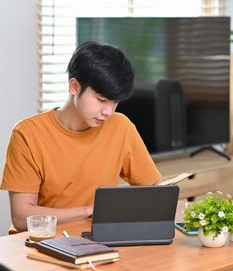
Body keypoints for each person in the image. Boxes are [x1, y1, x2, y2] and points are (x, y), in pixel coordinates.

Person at [1, 41, 161, 231]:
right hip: (41, 241)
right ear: (75, 87)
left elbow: (154, 189)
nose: (108, 111)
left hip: (99, 238)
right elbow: (21, 217)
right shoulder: (27, 134)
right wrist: (89, 210)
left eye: (115, 102)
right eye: (101, 100)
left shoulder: (121, 127)